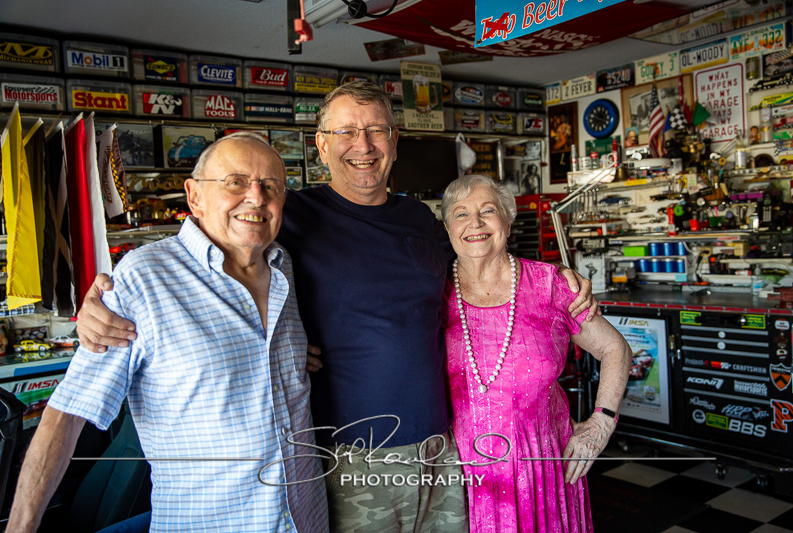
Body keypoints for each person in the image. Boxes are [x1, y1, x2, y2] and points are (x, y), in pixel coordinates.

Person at [75, 82, 597, 532]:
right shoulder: (287, 214)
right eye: (346, 132)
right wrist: (107, 297)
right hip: (350, 457)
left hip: (442, 450)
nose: (362, 146)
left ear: (394, 144)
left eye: (375, 131)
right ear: (321, 146)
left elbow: (479, 263)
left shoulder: (420, 219)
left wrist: (550, 277)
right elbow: (206, 252)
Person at [5, 133, 328, 533]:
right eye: (235, 182)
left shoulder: (284, 268)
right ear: (194, 197)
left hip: (306, 519)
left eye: (271, 187)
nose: (256, 197)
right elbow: (67, 414)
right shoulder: (143, 279)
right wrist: (20, 528)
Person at [440, 174, 631, 532]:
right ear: (448, 228)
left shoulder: (550, 285)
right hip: (461, 471)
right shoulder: (432, 291)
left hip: (543, 466)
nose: (476, 223)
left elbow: (614, 347)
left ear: (508, 223)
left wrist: (601, 424)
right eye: (461, 214)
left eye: (488, 210)